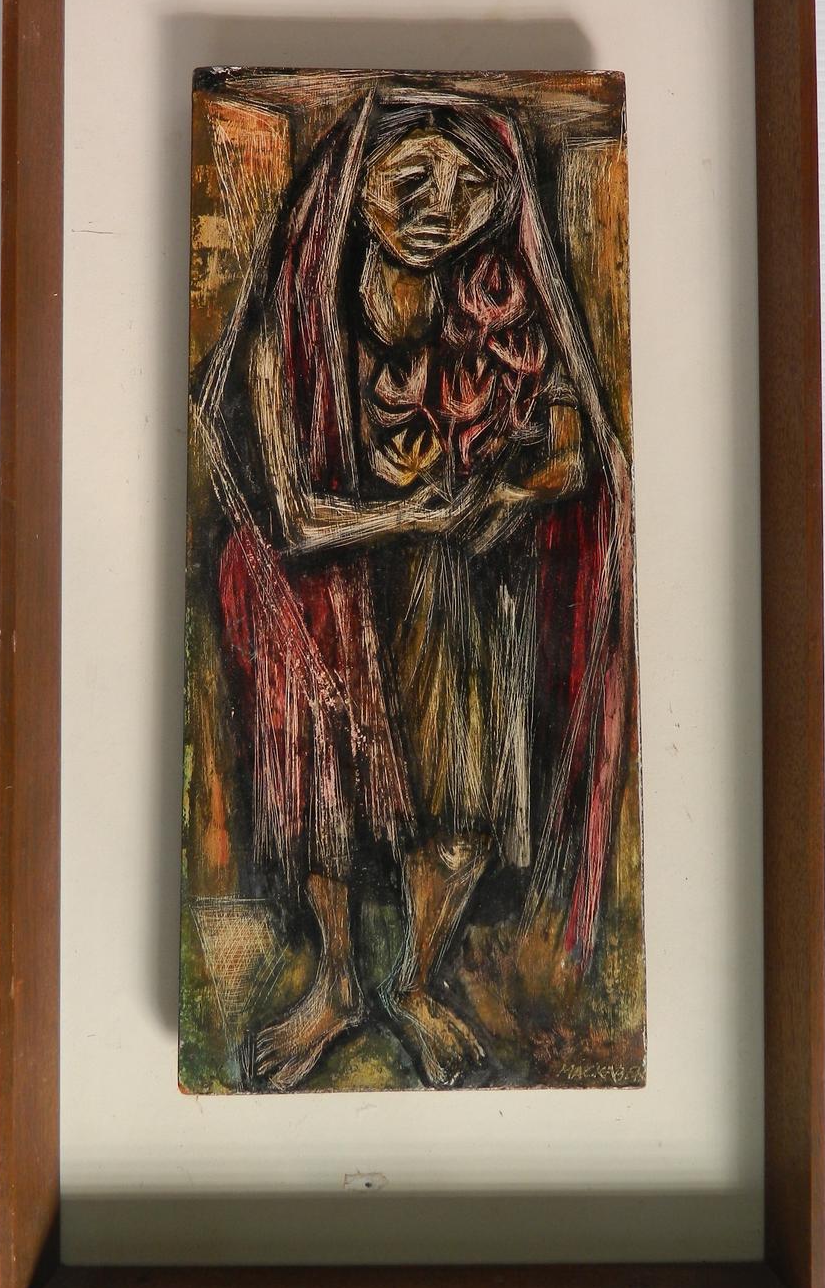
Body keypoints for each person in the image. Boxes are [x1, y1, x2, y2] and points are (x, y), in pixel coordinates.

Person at [211, 86, 634, 1090]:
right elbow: (296, 519)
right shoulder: (291, 327)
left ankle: (413, 980)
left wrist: (512, 493)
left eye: (469, 184)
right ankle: (336, 985)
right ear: (351, 189)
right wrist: (424, 516)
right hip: (323, 588)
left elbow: (572, 449)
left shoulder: (500, 302)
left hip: (452, 584)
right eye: (410, 178)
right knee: (326, 798)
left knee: (465, 808)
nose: (438, 207)